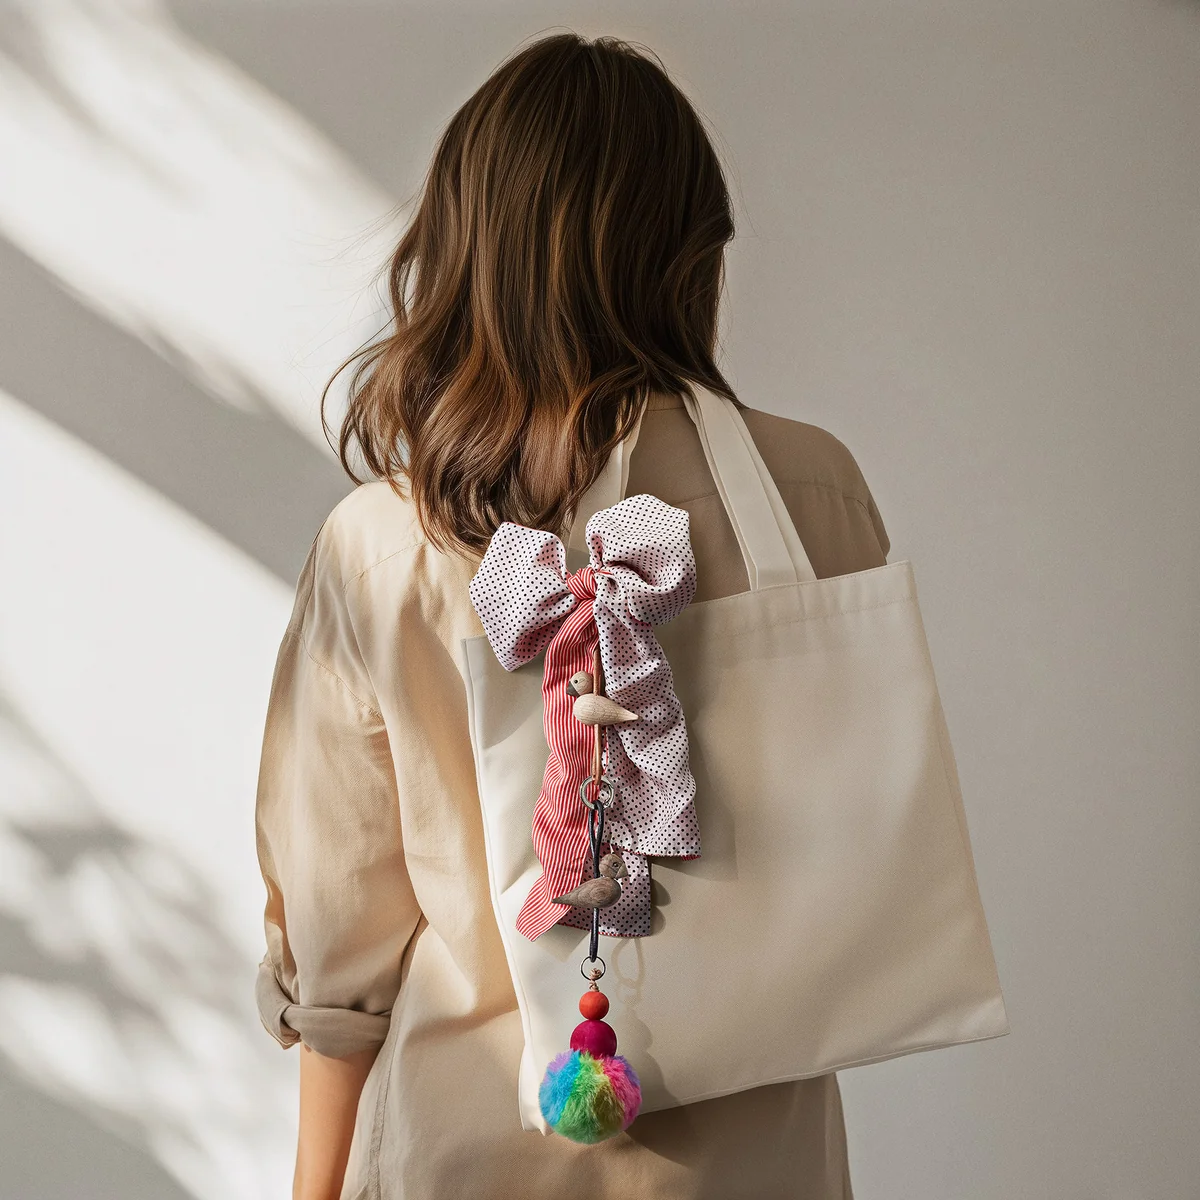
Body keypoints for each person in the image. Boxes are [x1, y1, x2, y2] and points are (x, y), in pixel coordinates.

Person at [254, 31, 889, 1200]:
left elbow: (343, 951)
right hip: (761, 1167)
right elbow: (857, 829)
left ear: (463, 248)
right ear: (692, 256)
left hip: (459, 1158)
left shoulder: (383, 545)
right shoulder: (818, 498)